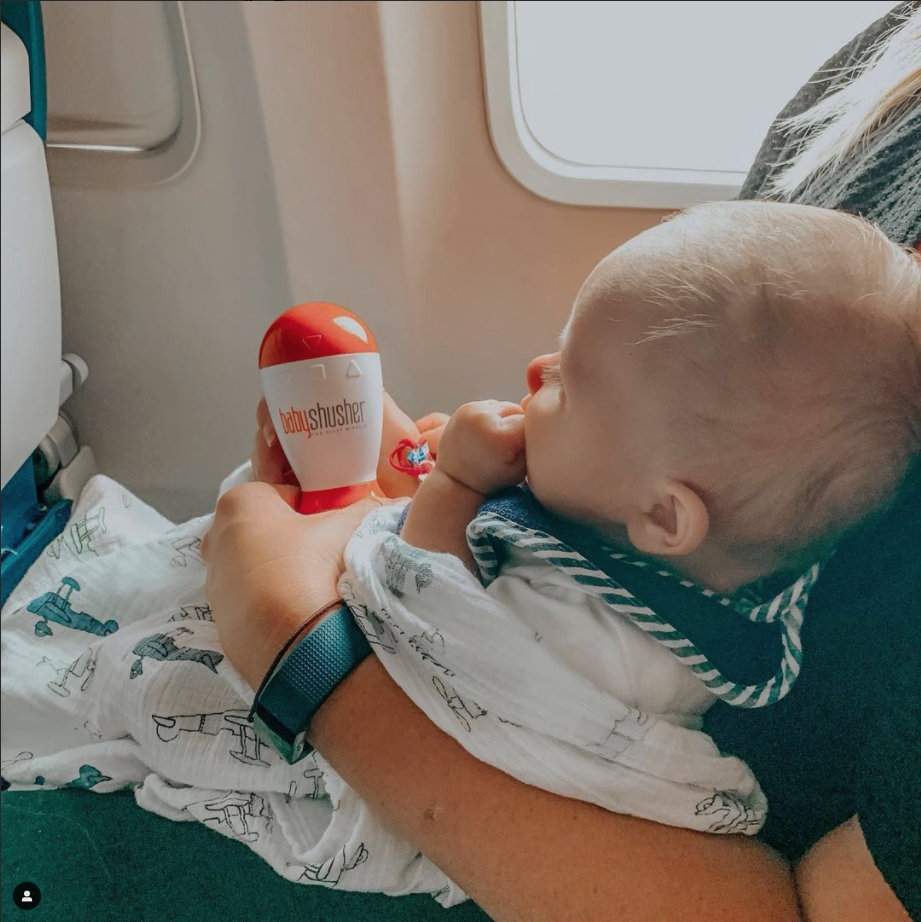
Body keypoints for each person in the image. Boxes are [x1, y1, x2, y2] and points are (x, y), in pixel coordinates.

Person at [204, 6, 921, 921]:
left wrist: (293, 629)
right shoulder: (884, 68)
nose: (537, 369)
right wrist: (407, 479)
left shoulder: (637, 657)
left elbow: (433, 620)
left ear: (667, 519)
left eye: (566, 380)